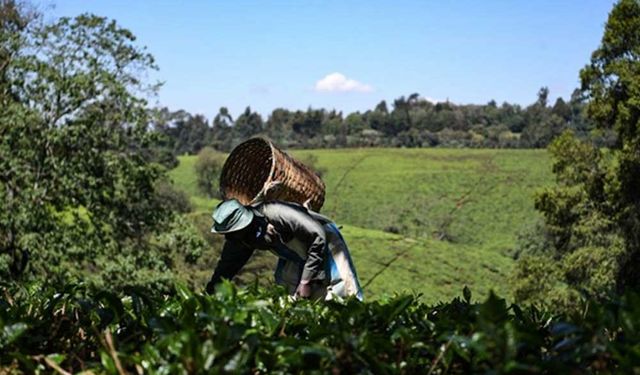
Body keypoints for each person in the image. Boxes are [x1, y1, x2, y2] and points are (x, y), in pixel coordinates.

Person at [206, 198, 363, 300]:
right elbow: (226, 267)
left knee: (342, 292)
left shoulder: (276, 212)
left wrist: (305, 281)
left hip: (325, 243)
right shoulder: (238, 239)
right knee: (290, 298)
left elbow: (317, 235)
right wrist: (209, 293)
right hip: (294, 255)